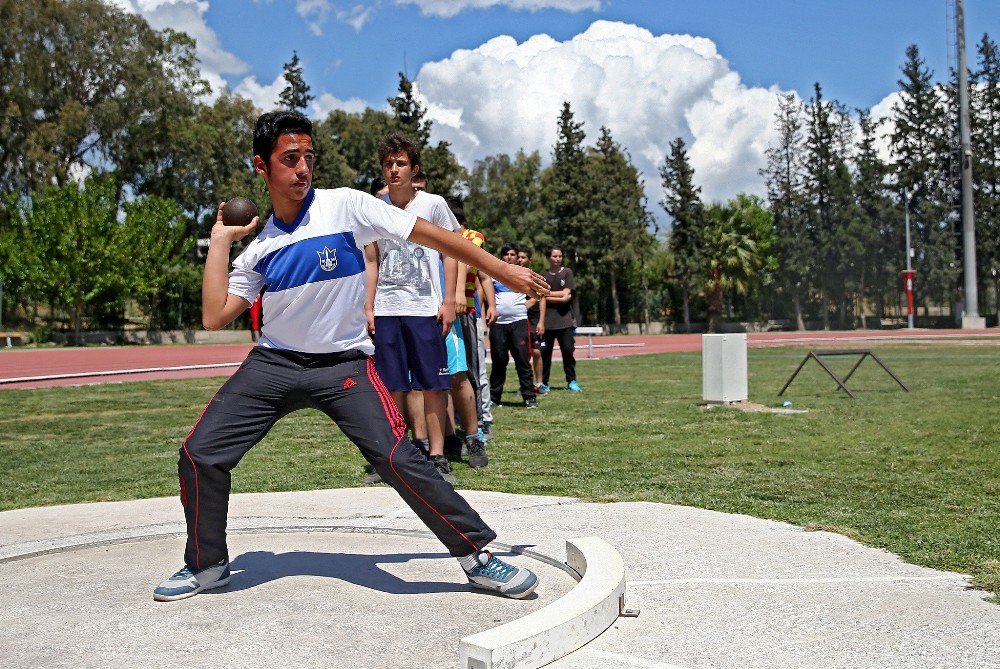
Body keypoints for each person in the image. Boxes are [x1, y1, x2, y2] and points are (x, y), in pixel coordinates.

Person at [152, 111, 546, 603]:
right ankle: (207, 566)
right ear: (262, 165)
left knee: (397, 456)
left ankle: (478, 556)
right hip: (275, 364)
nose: (302, 169)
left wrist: (498, 270)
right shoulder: (260, 249)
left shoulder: (347, 206)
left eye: (308, 158)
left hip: (344, 366)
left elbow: (428, 233)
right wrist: (219, 240)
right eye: (289, 159)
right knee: (199, 453)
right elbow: (215, 315)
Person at [364, 132, 464, 484]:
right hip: (388, 308)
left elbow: (452, 250)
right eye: (388, 164)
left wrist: (449, 299)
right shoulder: (374, 207)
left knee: (433, 384)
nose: (393, 170)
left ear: (413, 168)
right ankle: (395, 455)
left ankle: (437, 456)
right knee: (391, 386)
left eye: (401, 163)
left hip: (425, 307)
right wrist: (368, 305)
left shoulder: (433, 204)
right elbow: (372, 259)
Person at [489, 243, 538, 409]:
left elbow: (539, 294)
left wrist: (523, 307)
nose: (509, 257)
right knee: (499, 362)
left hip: (519, 323)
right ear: (502, 257)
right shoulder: (494, 274)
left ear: (518, 257)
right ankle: (494, 399)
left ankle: (529, 398)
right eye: (506, 254)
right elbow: (485, 295)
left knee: (523, 361)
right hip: (498, 324)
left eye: (512, 254)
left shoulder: (524, 275)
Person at [541, 245, 580, 392]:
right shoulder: (542, 274)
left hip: (565, 322)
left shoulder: (567, 273)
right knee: (546, 355)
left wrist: (549, 295)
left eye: (560, 256)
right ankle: (544, 383)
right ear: (548, 258)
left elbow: (566, 295)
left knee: (568, 353)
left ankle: (571, 381)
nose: (558, 259)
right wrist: (559, 296)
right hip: (547, 323)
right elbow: (543, 295)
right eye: (554, 256)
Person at [517, 247, 546, 394]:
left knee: (536, 352)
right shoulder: (513, 276)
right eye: (519, 257)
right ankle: (525, 384)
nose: (520, 260)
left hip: (533, 319)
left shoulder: (535, 277)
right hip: (519, 319)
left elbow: (542, 299)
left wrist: (541, 321)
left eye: (523, 257)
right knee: (523, 353)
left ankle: (540, 383)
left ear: (529, 260)